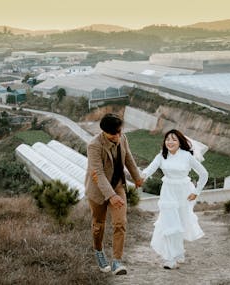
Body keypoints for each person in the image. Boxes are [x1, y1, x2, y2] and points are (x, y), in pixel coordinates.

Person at [141, 129, 209, 270]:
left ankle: (178, 254)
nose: (170, 142)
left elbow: (204, 174)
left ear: (180, 142)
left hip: (185, 193)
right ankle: (169, 259)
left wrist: (196, 192)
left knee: (180, 224)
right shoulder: (161, 156)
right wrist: (139, 178)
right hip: (168, 192)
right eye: (167, 139)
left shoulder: (187, 156)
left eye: (173, 139)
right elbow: (148, 170)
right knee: (169, 224)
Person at [85, 113, 143, 275]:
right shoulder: (94, 146)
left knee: (120, 223)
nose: (118, 136)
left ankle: (117, 261)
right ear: (105, 132)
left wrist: (137, 177)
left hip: (118, 186)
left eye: (119, 132)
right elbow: (97, 173)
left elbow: (128, 158)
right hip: (98, 190)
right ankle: (98, 251)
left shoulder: (122, 138)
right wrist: (110, 196)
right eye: (114, 134)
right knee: (99, 225)